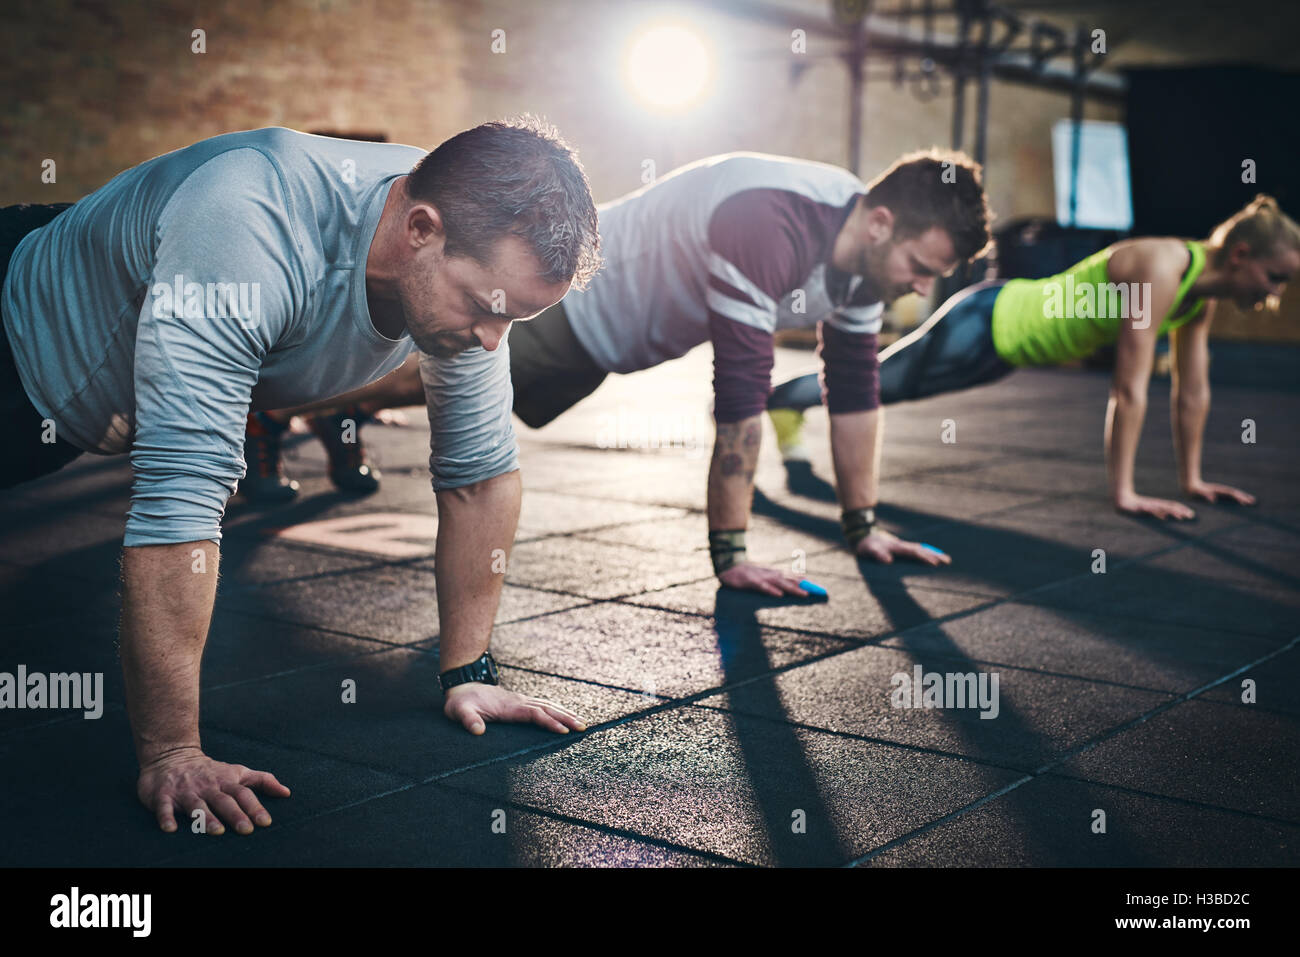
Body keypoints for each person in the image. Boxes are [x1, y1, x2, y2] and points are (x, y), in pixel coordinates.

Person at [0, 119, 601, 835]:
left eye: (516, 317)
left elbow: (479, 474)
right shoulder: (249, 222)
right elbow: (180, 500)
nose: (492, 339)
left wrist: (468, 672)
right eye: (483, 305)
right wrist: (172, 752)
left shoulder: (465, 252)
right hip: (17, 348)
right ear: (419, 229)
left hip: (82, 397)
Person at [256, 149, 995, 596]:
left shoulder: (869, 266)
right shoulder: (768, 221)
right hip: (572, 308)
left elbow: (856, 392)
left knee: (424, 389)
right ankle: (269, 402)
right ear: (878, 224)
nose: (923, 287)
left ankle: (314, 410)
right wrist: (731, 556)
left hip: (611, 348)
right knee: (415, 380)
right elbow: (740, 398)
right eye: (921, 267)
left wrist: (863, 527)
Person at [766, 194, 1299, 519]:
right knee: (877, 386)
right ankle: (777, 400)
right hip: (986, 323)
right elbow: (1130, 386)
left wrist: (1193, 481)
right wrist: (1126, 494)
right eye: (1276, 278)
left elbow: (1193, 391)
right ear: (1242, 255)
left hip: (1000, 350)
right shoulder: (1161, 266)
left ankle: (786, 402)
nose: (1274, 294)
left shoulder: (1200, 292)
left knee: (885, 385)